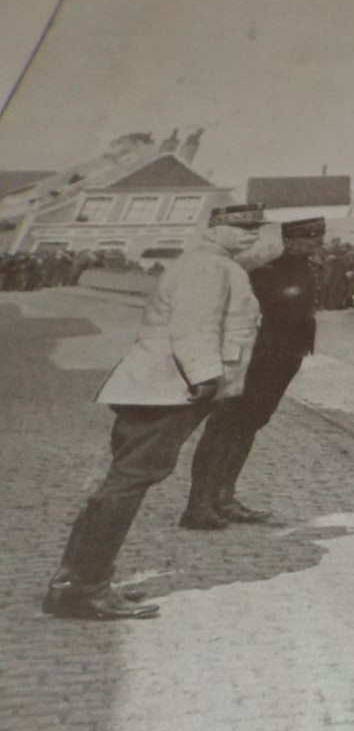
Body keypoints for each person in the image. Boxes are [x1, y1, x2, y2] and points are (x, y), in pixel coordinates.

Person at [42, 203, 266, 620]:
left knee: (124, 481)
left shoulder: (211, 261)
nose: (252, 233)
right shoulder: (208, 266)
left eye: (257, 226)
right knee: (128, 482)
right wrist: (205, 378)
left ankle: (74, 582)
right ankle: (82, 589)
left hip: (164, 384)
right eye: (242, 226)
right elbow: (193, 326)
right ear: (215, 228)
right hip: (171, 388)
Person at [179, 217, 322, 530]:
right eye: (307, 237)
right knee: (226, 425)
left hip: (284, 359)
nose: (315, 243)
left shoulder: (305, 267)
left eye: (317, 236)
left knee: (249, 426)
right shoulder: (261, 269)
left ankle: (225, 497)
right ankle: (199, 503)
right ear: (288, 239)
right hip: (255, 358)